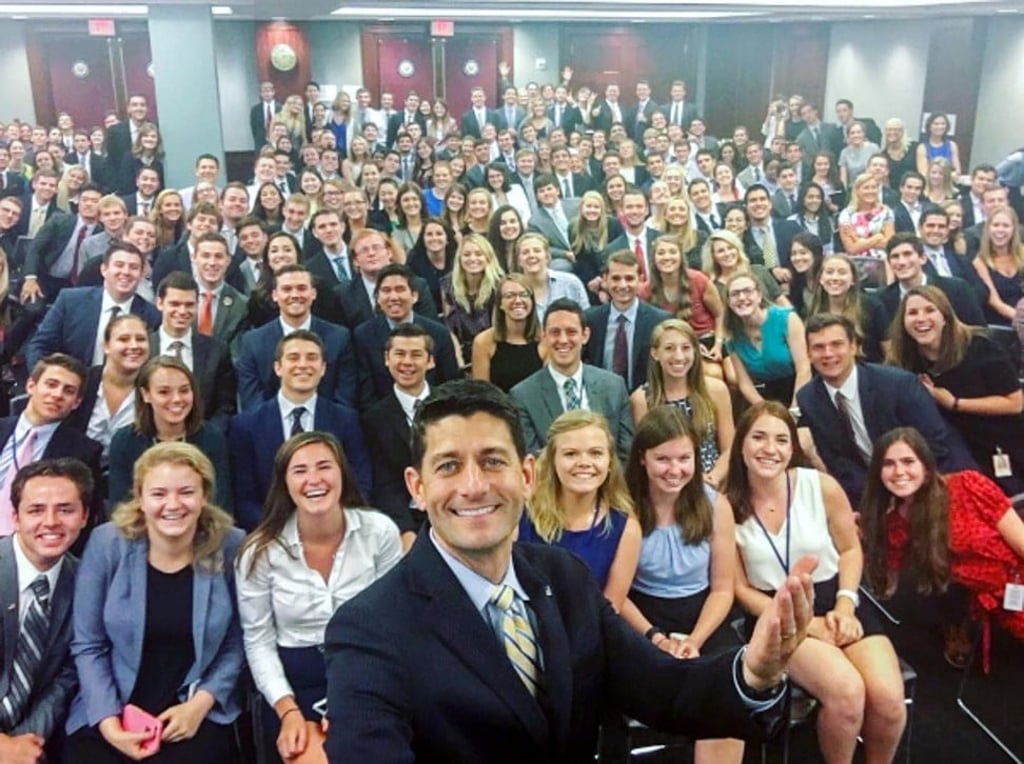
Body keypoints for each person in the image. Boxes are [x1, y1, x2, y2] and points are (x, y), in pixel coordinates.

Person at [324, 378, 816, 761]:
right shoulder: (368, 629)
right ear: (416, 486)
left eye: (493, 461)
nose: (473, 486)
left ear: (527, 474)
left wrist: (753, 672)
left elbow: (664, 688)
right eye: (448, 466)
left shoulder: (564, 578)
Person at [727, 401, 907, 764]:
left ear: (792, 448)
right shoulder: (724, 505)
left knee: (888, 701)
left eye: (781, 440)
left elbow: (850, 549)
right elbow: (740, 589)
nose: (770, 449)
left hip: (836, 596)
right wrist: (807, 625)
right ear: (740, 445)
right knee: (847, 695)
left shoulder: (820, 486)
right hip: (774, 613)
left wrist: (845, 604)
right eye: (758, 437)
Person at [64, 443, 244, 762]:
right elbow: (89, 644)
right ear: (140, 498)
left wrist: (200, 704)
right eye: (159, 494)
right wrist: (109, 724)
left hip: (193, 709)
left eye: (186, 492)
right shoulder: (108, 543)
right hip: (112, 704)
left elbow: (236, 641)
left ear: (204, 496)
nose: (172, 504)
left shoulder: (230, 545)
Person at [236, 431, 401, 762]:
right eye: (300, 470)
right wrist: (288, 711)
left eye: (324, 466)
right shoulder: (258, 552)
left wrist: (355, 701)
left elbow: (396, 626)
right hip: (293, 685)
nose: (314, 479)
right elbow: (258, 642)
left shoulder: (379, 532)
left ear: (342, 473)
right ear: (285, 483)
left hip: (368, 672)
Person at [621, 406, 744, 764]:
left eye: (684, 458)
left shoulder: (715, 505)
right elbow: (617, 595)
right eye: (662, 459)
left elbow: (722, 589)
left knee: (728, 690)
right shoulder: (623, 506)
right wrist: (657, 638)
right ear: (642, 458)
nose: (675, 470)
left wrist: (695, 640)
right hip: (642, 615)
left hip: (704, 613)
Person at [861, 428, 1024, 664]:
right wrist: (861, 535)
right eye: (888, 464)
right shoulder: (893, 524)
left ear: (926, 466)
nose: (899, 472)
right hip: (987, 606)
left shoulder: (968, 485)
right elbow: (886, 586)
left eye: (908, 461)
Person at [796, 313, 976, 506]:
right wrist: (877, 501)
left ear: (854, 346)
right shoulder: (809, 399)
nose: (828, 353)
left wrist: (906, 495)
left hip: (938, 479)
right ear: (808, 354)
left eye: (837, 344)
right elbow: (839, 462)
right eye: (818, 347)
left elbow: (934, 445)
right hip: (875, 493)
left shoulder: (897, 384)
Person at [887, 285, 1024, 496]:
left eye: (929, 310)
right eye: (912, 313)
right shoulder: (902, 362)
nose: (921, 318)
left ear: (945, 317)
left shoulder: (980, 347)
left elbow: (1015, 403)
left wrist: (954, 403)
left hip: (999, 443)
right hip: (948, 452)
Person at [229, 330, 371, 532]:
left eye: (312, 358)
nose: (303, 365)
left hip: (335, 533)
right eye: (293, 358)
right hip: (271, 534)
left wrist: (332, 529)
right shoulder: (246, 426)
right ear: (278, 367)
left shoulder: (346, 420)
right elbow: (244, 499)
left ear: (323, 368)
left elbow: (359, 485)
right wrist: (282, 533)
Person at [0, 458, 92, 761]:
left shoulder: (87, 584)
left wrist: (25, 745)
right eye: (36, 510)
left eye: (65, 510)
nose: (51, 522)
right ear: (15, 517)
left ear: (84, 516)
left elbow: (65, 680)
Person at [518, 410, 641, 609]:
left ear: (610, 462)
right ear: (552, 461)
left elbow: (610, 610)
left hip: (590, 627)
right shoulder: (521, 513)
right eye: (571, 454)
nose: (584, 463)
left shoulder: (626, 528)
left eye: (596, 453)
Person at [511, 298, 633, 461]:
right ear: (544, 336)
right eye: (555, 332)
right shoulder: (523, 396)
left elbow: (625, 454)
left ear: (585, 335)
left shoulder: (614, 387)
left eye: (571, 332)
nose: (563, 340)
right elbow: (532, 459)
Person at [107, 357, 231, 509]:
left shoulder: (212, 438)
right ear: (146, 394)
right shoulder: (124, 441)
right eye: (164, 392)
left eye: (184, 390)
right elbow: (121, 507)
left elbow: (220, 505)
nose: (177, 399)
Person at [236, 264, 357, 410]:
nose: (294, 295)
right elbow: (251, 400)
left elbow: (345, 397)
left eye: (301, 288)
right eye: (287, 289)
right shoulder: (253, 341)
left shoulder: (339, 338)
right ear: (275, 295)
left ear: (313, 293)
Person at [630, 319, 734, 488]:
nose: (678, 356)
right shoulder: (642, 399)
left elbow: (729, 448)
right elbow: (645, 455)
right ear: (655, 353)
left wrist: (713, 478)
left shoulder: (716, 390)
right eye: (669, 348)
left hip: (711, 482)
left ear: (695, 351)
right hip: (667, 484)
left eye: (685, 348)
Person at [62, 313, 150, 464]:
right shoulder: (82, 382)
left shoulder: (154, 388)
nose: (134, 345)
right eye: (124, 339)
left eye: (141, 339)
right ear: (106, 346)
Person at [584, 251, 671, 393]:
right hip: (601, 396)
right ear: (605, 279)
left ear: (640, 280)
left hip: (645, 397)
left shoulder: (659, 320)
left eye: (629, 278)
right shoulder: (591, 319)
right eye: (616, 278)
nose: (623, 285)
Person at [723, 271, 810, 407]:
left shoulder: (787, 319)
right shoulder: (732, 337)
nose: (741, 297)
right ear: (729, 302)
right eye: (735, 294)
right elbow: (745, 384)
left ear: (759, 295)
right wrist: (767, 412)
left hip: (802, 390)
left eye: (747, 291)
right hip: (768, 398)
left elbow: (804, 368)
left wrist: (795, 408)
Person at [806, 254, 889, 362]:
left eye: (842, 272)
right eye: (829, 272)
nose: (835, 278)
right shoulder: (813, 309)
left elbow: (889, 352)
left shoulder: (873, 307)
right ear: (821, 279)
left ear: (853, 280)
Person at [471, 273, 546, 392]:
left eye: (524, 295)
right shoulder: (483, 342)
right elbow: (481, 393)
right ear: (500, 304)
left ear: (532, 301)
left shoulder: (546, 339)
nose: (518, 300)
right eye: (510, 296)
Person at [440, 234, 503, 366]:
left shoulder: (499, 286)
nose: (472, 259)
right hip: (459, 350)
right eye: (467, 254)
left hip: (493, 350)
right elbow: (449, 327)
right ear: (459, 259)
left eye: (479, 254)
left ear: (488, 258)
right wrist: (458, 357)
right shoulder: (448, 284)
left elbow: (498, 329)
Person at [837, 173, 895, 283]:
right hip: (856, 264)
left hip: (883, 264)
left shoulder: (886, 212)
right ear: (857, 190)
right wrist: (878, 237)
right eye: (866, 188)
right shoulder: (846, 215)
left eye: (874, 187)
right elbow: (851, 249)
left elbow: (889, 243)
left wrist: (859, 241)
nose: (870, 191)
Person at [972, 205, 1024, 325]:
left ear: (1014, 230)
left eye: (1006, 226)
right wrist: (1020, 319)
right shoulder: (979, 262)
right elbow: (995, 302)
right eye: (996, 225)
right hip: (999, 325)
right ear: (988, 229)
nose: (1000, 230)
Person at [915, 113, 961, 177]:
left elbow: (957, 171)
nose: (940, 126)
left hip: (949, 182)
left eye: (943, 124)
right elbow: (923, 173)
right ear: (929, 126)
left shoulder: (952, 145)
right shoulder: (922, 148)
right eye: (936, 124)